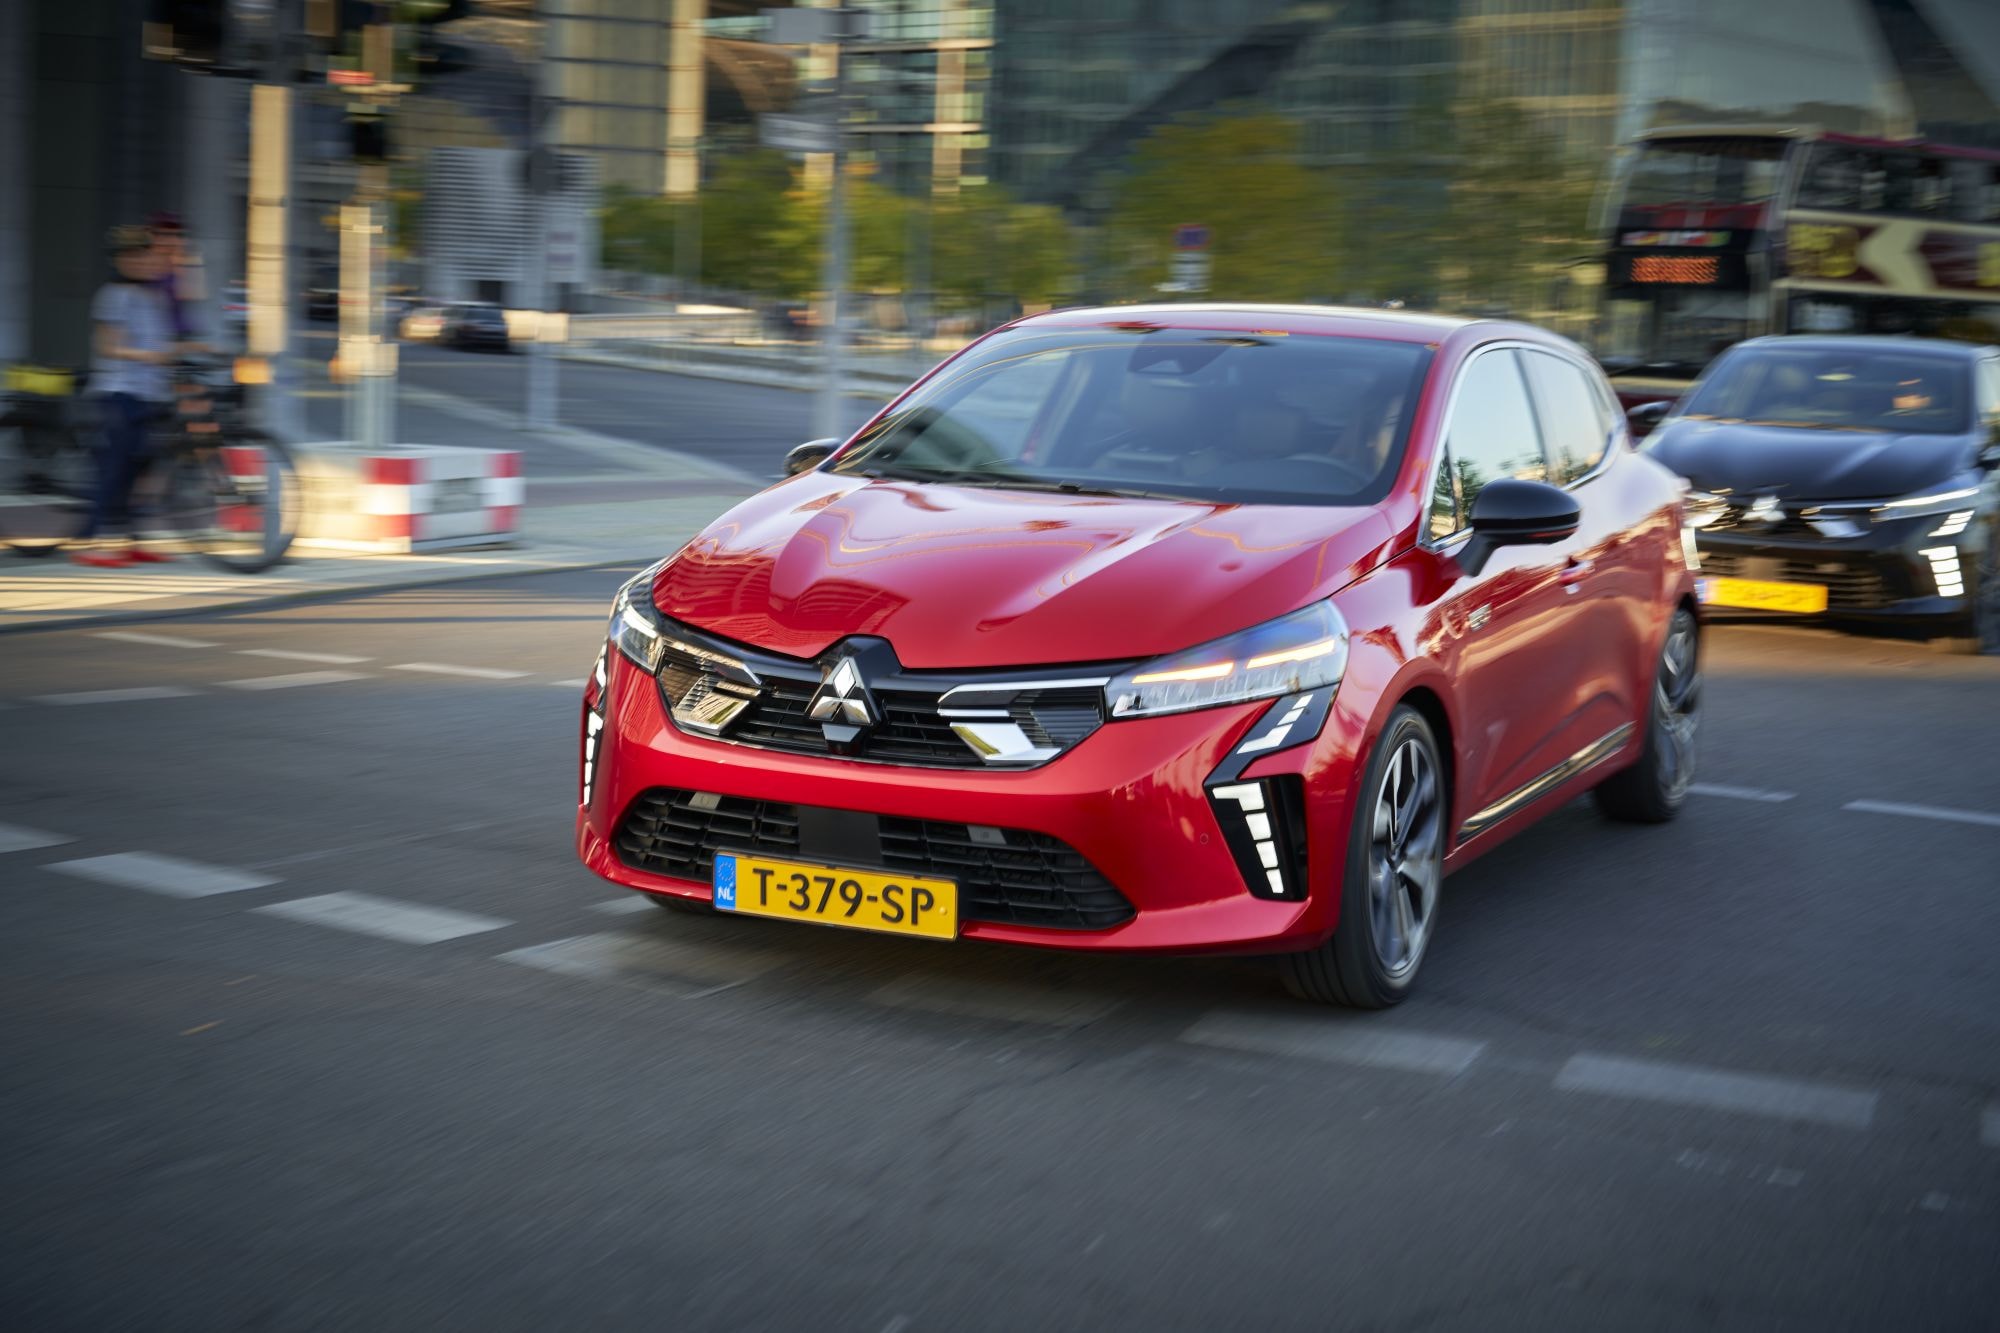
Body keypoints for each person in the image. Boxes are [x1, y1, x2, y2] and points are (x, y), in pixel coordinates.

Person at [76, 225, 179, 568]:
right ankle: (88, 542)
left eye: (144, 254)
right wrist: (148, 356)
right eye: (131, 255)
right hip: (118, 392)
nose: (140, 261)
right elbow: (109, 347)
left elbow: (160, 345)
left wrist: (200, 348)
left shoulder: (151, 297)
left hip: (148, 393)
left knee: (142, 467)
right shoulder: (113, 294)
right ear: (119, 260)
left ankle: (132, 540)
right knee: (116, 467)